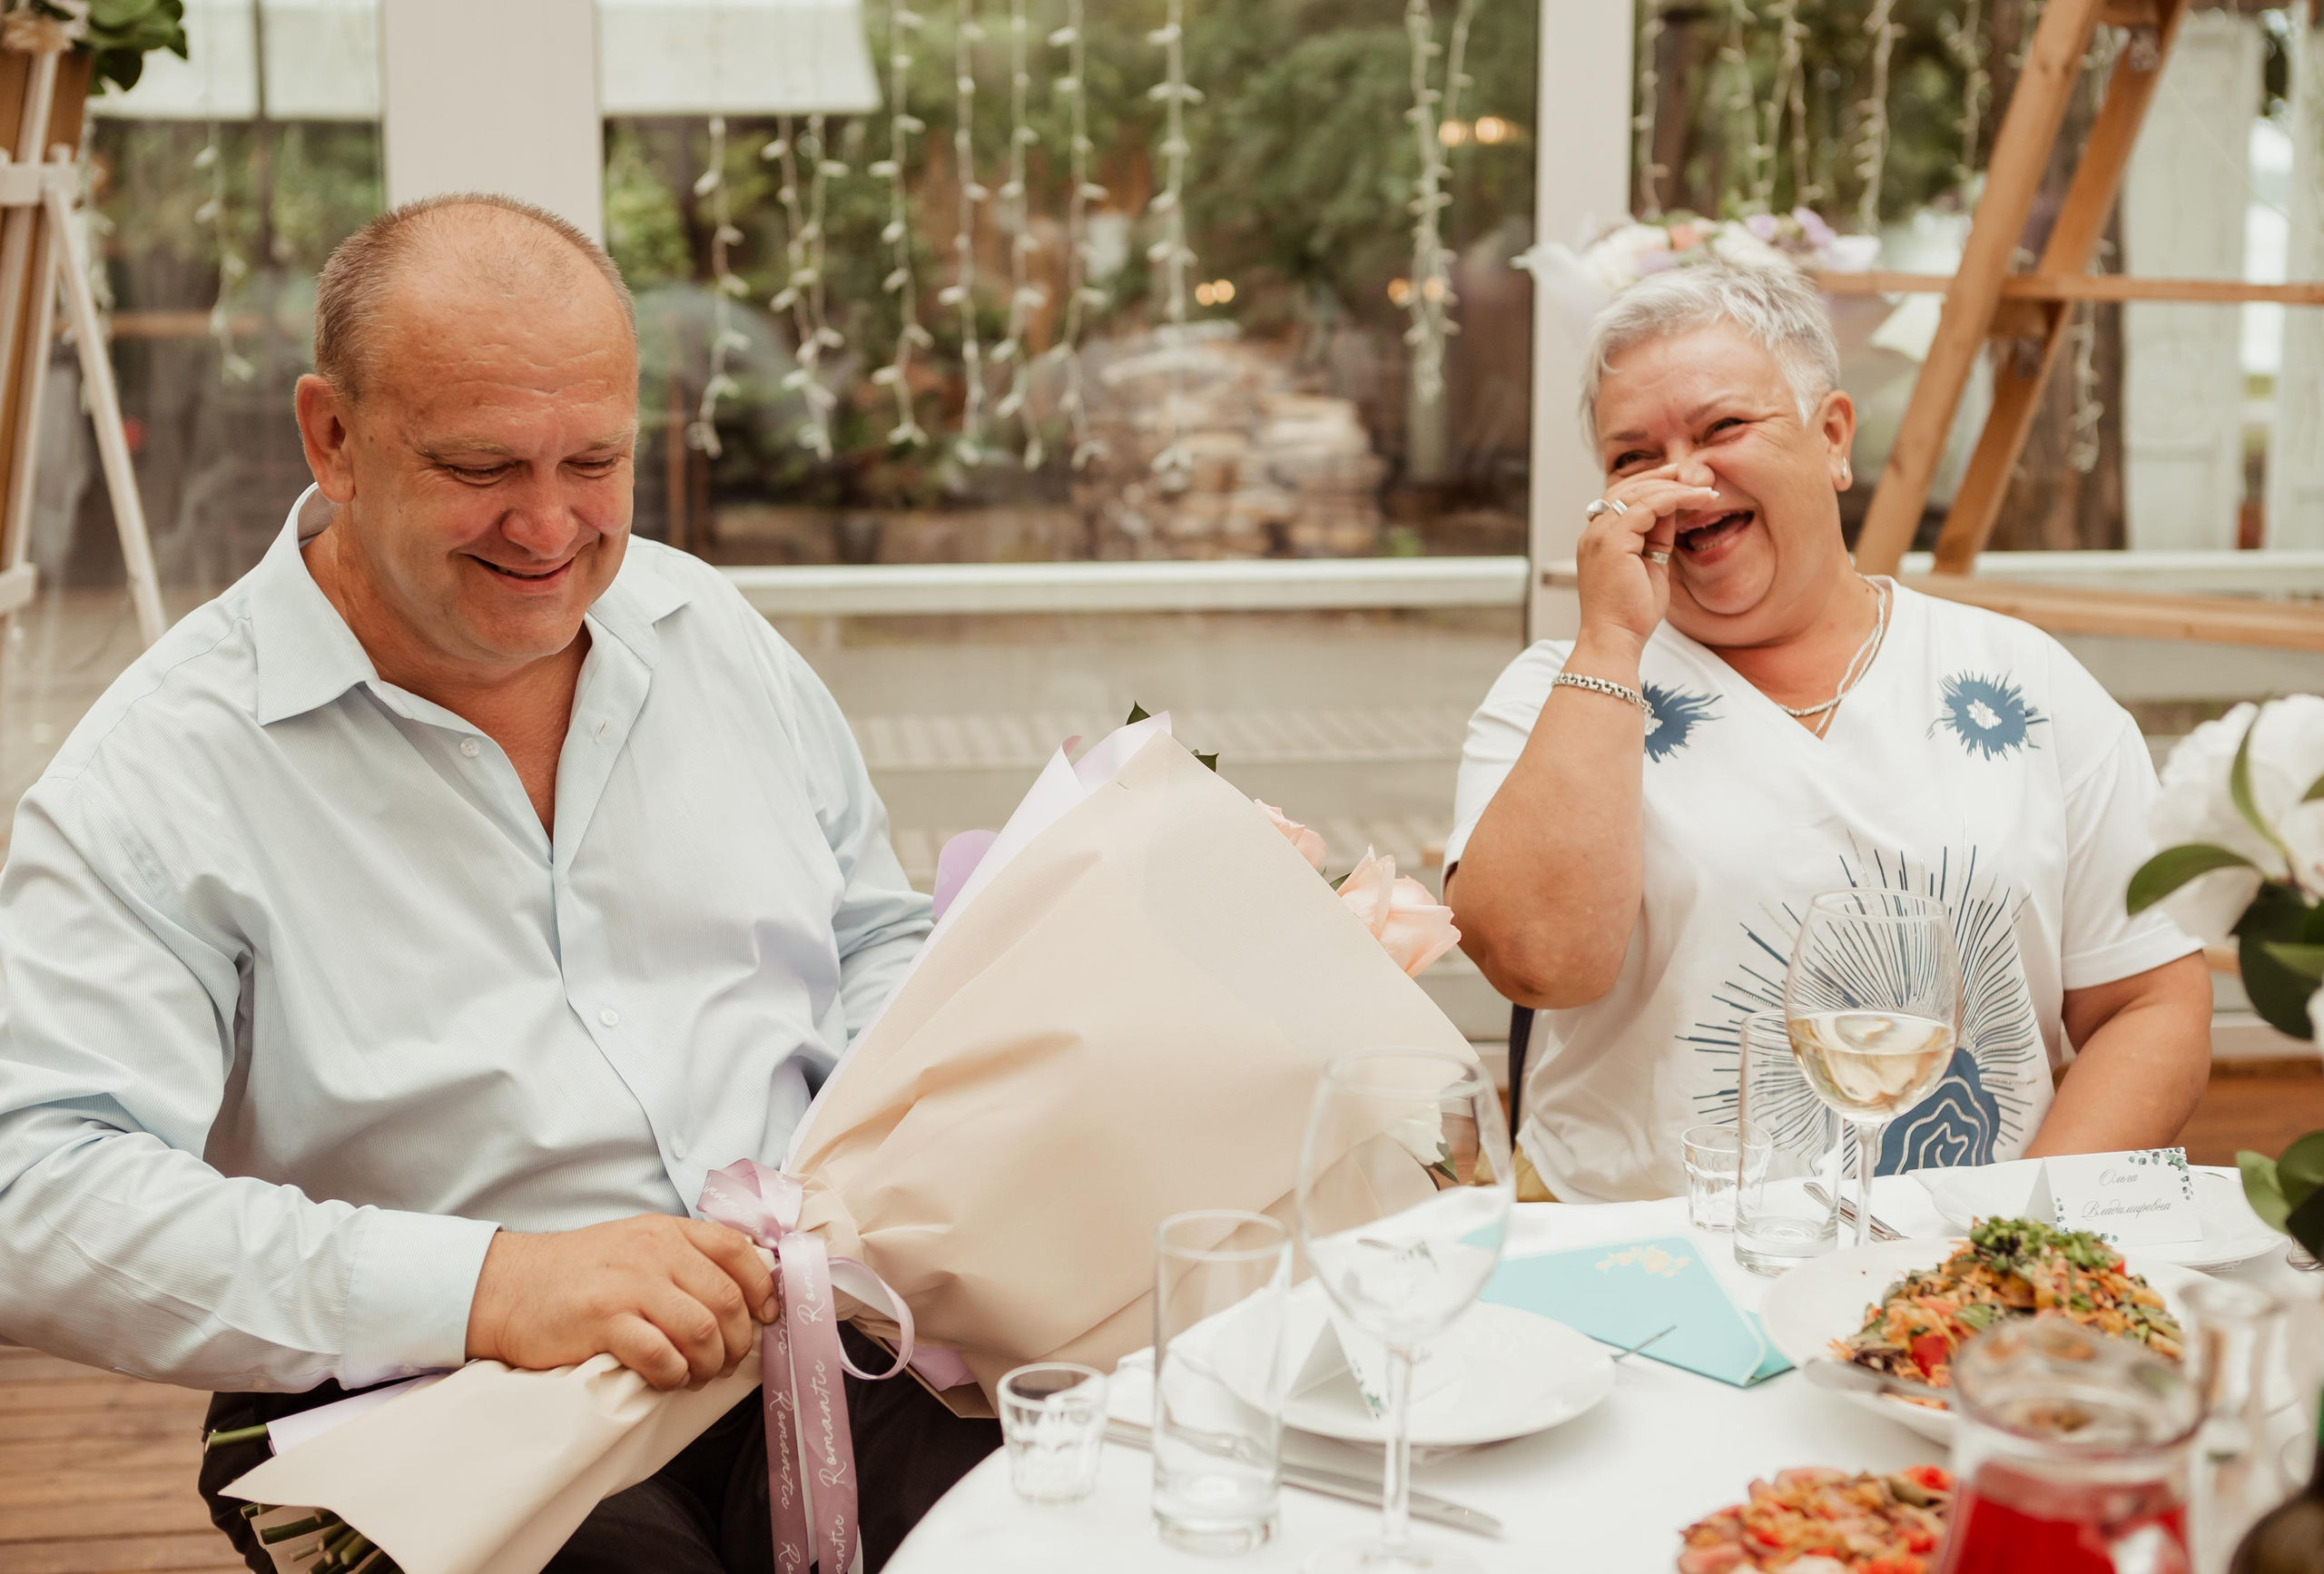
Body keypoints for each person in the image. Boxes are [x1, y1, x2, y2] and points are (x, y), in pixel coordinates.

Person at [0, 194, 992, 1572]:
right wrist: (492, 1285)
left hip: (822, 1320)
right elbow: (32, 1193)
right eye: (481, 465)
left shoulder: (712, 631)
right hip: (419, 1390)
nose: (548, 524)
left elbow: (871, 936)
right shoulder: (164, 769)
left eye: (595, 460)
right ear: (332, 438)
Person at [1443, 261, 2211, 1205]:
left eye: (1723, 428)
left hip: (1962, 1257)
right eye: (1633, 458)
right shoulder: (1555, 691)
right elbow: (1539, 962)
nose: (1683, 480)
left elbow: (2149, 1002)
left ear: (1834, 438)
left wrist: (2016, 1231)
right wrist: (1609, 640)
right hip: (1641, 1254)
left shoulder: (2023, 680)